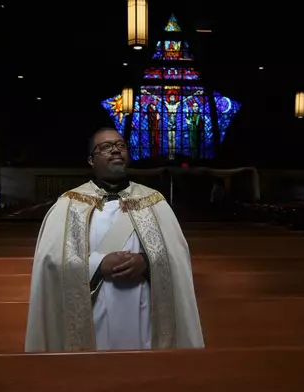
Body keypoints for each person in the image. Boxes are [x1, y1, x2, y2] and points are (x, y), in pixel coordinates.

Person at [24, 127, 204, 352]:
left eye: (121, 146)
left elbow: (177, 258)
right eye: (106, 147)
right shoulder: (68, 205)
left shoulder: (154, 202)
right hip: (93, 312)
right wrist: (98, 265)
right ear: (91, 160)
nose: (116, 151)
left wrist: (146, 262)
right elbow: (50, 263)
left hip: (143, 310)